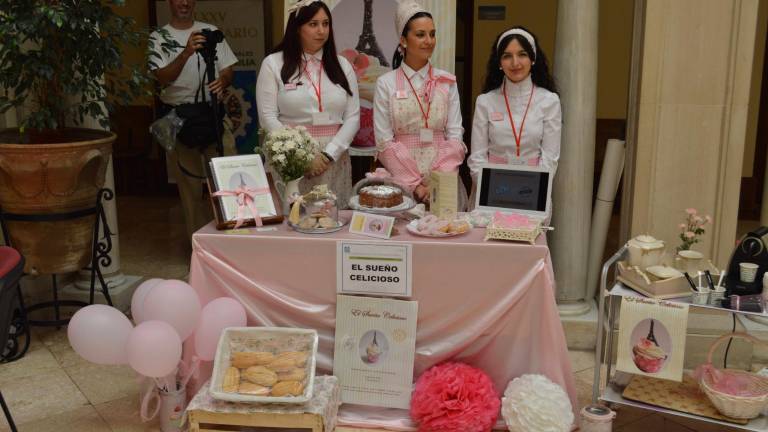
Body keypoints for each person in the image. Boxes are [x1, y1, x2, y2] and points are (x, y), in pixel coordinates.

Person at [148, 0, 238, 244]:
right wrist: (186, 52)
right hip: (180, 119)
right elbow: (162, 77)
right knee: (190, 190)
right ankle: (201, 250)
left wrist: (222, 80)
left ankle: (233, 241)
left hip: (212, 115)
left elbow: (228, 69)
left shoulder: (209, 30)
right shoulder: (158, 37)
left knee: (228, 180)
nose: (184, 2)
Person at [256, 0, 359, 207]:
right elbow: (267, 117)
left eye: (326, 24)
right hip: (290, 159)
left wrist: (329, 154)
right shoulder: (274, 64)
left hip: (333, 160)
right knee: (291, 222)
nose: (321, 31)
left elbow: (353, 117)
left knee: (332, 222)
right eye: (313, 24)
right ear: (296, 28)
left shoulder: (342, 65)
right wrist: (301, 158)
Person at [373, 1, 466, 206]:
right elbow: (384, 141)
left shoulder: (447, 81)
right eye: (420, 34)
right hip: (401, 180)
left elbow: (455, 134)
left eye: (432, 34)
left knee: (443, 233)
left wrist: (436, 180)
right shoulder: (385, 84)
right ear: (403, 40)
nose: (429, 41)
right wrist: (416, 185)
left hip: (443, 178)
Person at [468, 27, 561, 197]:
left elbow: (550, 158)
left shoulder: (550, 101)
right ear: (499, 63)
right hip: (490, 190)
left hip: (533, 191)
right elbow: (477, 157)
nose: (515, 63)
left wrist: (532, 191)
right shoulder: (485, 102)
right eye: (507, 56)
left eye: (522, 54)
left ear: (533, 59)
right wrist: (490, 189)